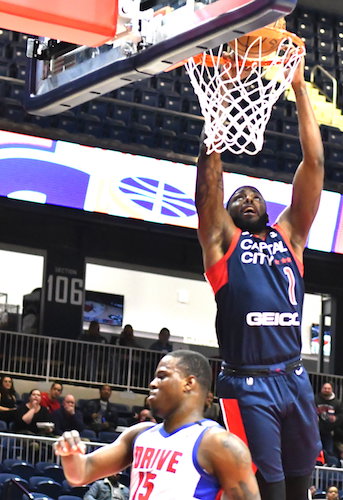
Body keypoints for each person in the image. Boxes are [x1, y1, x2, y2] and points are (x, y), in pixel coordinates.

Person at [195, 53, 324, 500]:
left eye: (255, 195)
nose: (247, 198)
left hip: (293, 376)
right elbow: (208, 188)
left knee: (299, 486)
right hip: (247, 381)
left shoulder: (290, 236)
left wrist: (300, 89)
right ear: (227, 214)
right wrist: (221, 102)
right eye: (238, 197)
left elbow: (314, 166)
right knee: (262, 491)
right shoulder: (222, 242)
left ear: (268, 209)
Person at [54, 350, 260, 500]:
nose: (152, 383)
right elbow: (80, 474)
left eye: (162, 376)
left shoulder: (219, 443)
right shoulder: (139, 434)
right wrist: (69, 454)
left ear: (189, 383)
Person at [315, 382, 343, 458]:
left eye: (328, 388)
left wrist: (336, 418)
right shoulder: (315, 399)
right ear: (321, 389)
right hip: (315, 431)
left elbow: (341, 415)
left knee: (329, 452)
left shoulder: (337, 403)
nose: (326, 390)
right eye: (325, 388)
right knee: (315, 450)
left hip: (329, 432)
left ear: (332, 390)